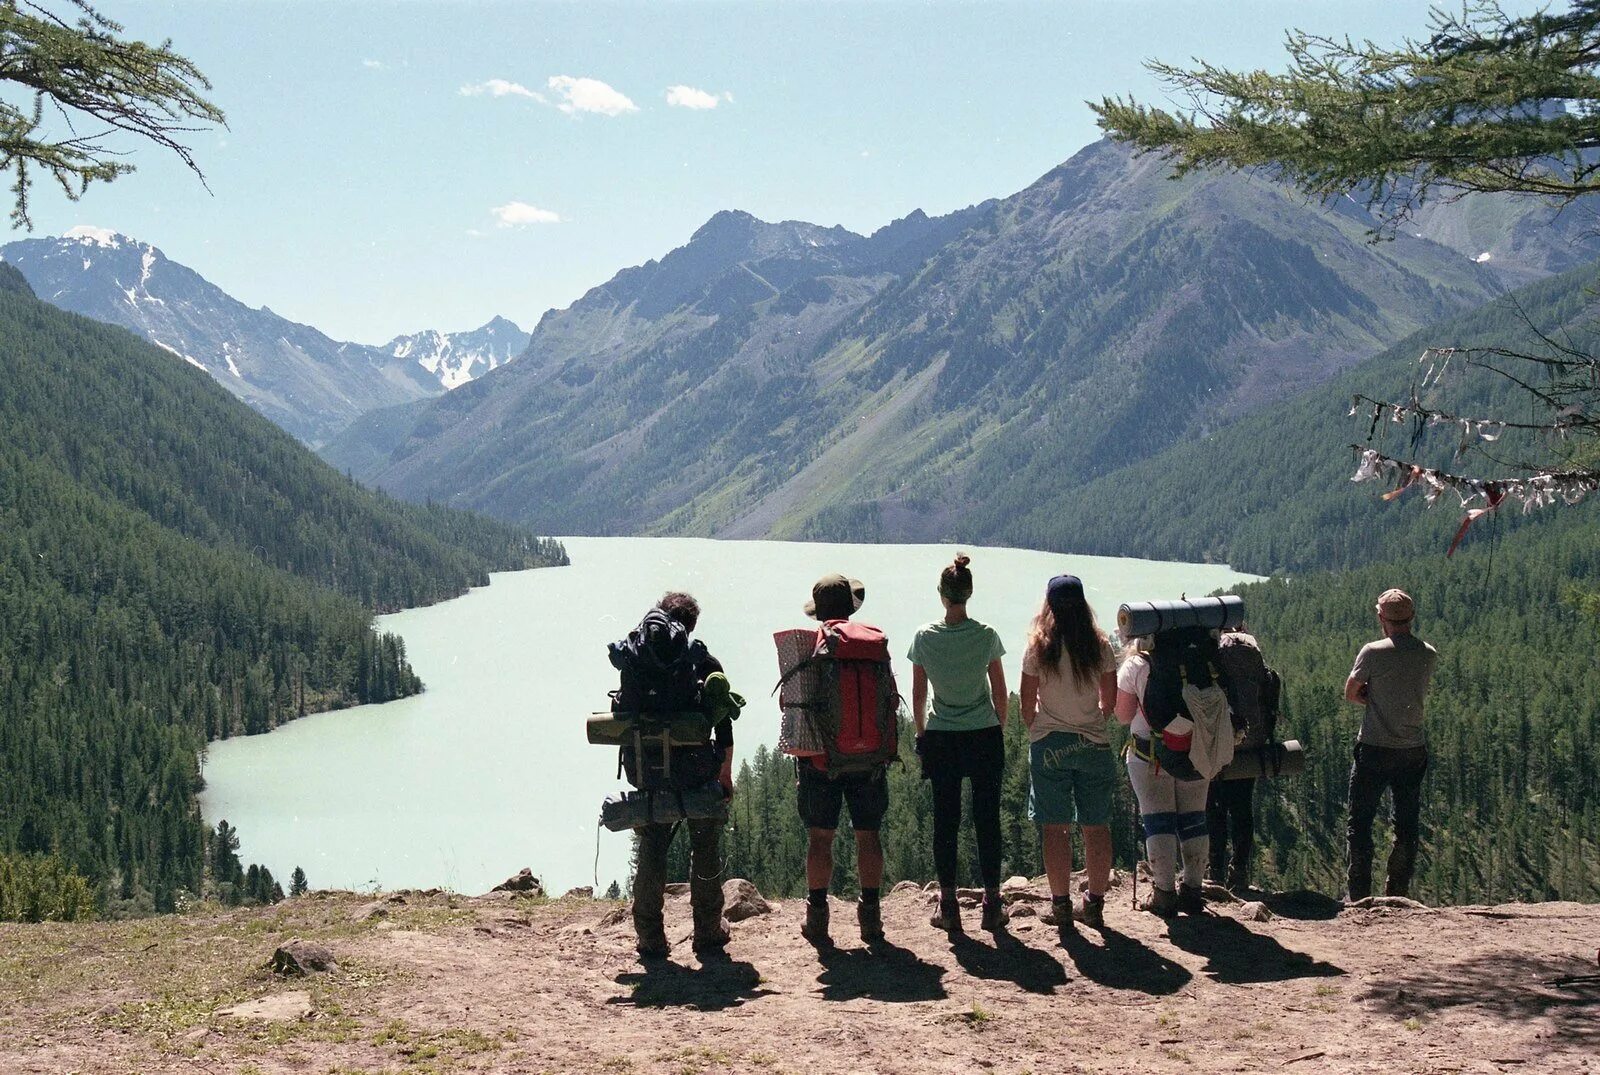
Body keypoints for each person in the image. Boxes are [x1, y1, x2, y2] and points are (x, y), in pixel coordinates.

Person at [626, 592, 735, 960]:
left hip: (649, 771)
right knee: (703, 845)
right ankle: (706, 932)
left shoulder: (636, 659)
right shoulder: (703, 661)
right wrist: (725, 774)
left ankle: (650, 936)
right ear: (690, 626)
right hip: (696, 773)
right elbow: (724, 729)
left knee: (652, 846)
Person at [910, 553, 1009, 933]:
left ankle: (948, 906)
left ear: (942, 595)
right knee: (987, 820)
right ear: (968, 594)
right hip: (984, 735)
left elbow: (919, 696)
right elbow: (1001, 693)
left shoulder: (924, 638)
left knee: (945, 821)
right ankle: (991, 904)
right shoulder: (986, 635)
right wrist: (996, 727)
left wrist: (921, 735)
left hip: (942, 738)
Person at [794, 573, 891, 946]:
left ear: (818, 611)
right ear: (851, 607)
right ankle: (871, 920)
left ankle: (817, 920)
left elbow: (796, 706)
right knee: (868, 835)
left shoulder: (810, 645)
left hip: (823, 760)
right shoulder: (872, 642)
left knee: (821, 838)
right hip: (870, 760)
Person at [1019, 574, 1117, 929]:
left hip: (1049, 745)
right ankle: (1094, 904)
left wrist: (1040, 730)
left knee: (1054, 828)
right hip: (1092, 743)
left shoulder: (1038, 646)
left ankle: (1061, 906)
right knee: (1096, 826)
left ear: (1049, 606)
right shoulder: (1100, 646)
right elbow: (1110, 702)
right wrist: (1090, 721)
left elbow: (1026, 706)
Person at [1343, 588, 1438, 901]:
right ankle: (1397, 891)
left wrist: (1373, 697)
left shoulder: (1372, 652)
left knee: (1360, 821)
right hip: (1412, 749)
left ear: (1381, 617)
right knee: (1406, 822)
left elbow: (1351, 692)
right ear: (1411, 618)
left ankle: (1358, 895)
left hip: (1374, 747)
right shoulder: (1428, 653)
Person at [1116, 632, 1210, 916]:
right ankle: (1193, 890)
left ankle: (1164, 893)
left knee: (1158, 820)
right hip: (1196, 751)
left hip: (1150, 755)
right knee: (1194, 818)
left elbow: (1122, 715)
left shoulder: (1135, 665)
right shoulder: (1200, 658)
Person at [1207, 623, 1280, 892]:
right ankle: (1239, 870)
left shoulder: (1216, 651)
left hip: (1219, 743)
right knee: (1242, 808)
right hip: (1250, 743)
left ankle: (1213, 870)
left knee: (1213, 807)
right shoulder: (1250, 649)